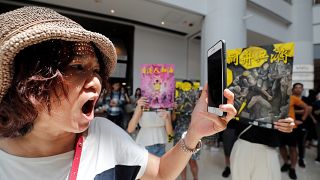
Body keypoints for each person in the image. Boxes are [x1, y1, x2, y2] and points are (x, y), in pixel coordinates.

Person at [0, 6, 237, 180]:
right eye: (77, 67)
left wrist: (194, 133)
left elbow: (162, 172)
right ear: (28, 81)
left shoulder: (105, 136)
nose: (95, 82)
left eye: (96, 71)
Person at [278, 83, 309, 180]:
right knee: (281, 147)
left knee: (292, 148)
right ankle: (286, 163)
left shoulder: (292, 98)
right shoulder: (277, 98)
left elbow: (307, 108)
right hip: (279, 127)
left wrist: (302, 119)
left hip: (292, 127)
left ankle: (292, 168)